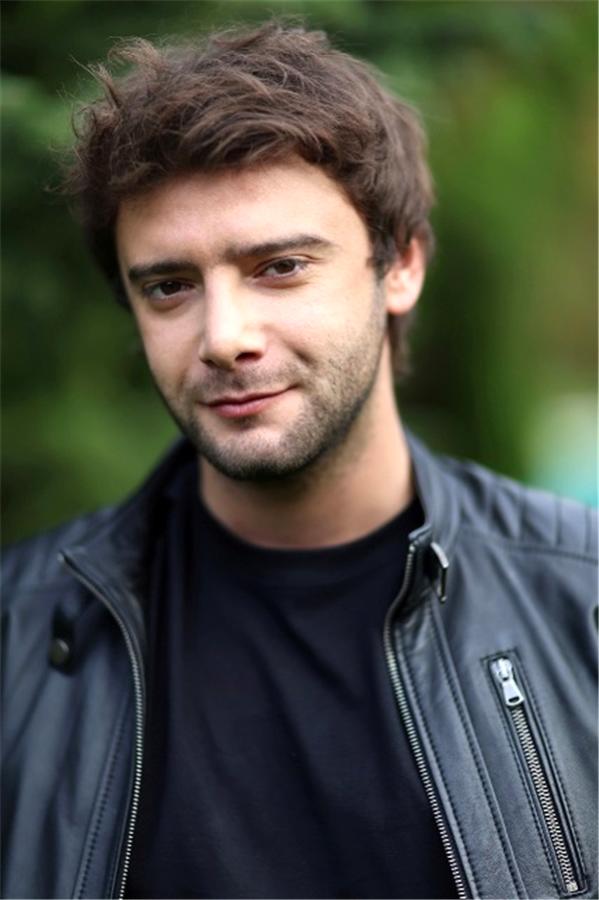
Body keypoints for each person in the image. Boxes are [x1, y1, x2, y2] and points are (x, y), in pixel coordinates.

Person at [2, 20, 596, 900]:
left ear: (400, 267)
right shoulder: (19, 636)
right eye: (169, 286)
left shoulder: (580, 599)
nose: (223, 336)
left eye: (278, 267)